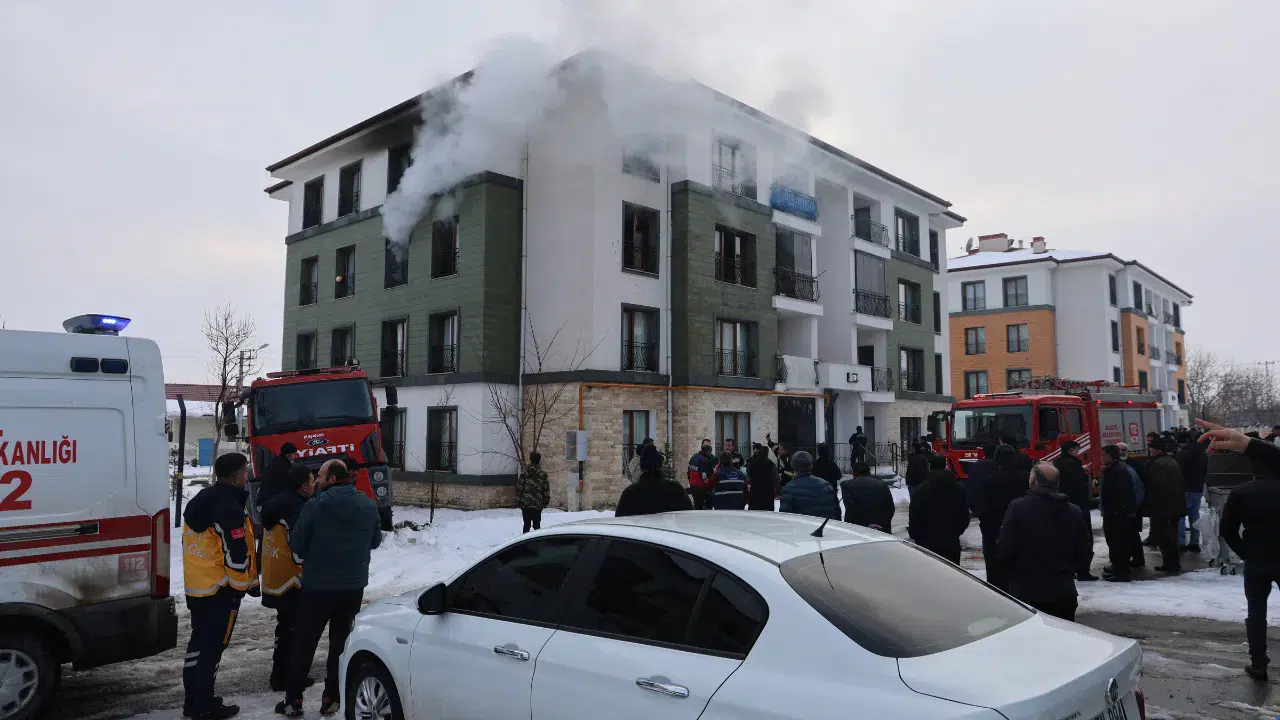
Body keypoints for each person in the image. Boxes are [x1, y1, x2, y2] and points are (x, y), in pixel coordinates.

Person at [278, 459, 383, 717]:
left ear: (332, 479)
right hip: (352, 587)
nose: (316, 481)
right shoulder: (368, 504)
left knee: (305, 642)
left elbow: (297, 544)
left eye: (320, 477)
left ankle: (293, 700)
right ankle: (332, 698)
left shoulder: (315, 506)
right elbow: (375, 540)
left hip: (317, 587)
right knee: (341, 643)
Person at [182, 453, 259, 720]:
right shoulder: (230, 509)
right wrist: (240, 588)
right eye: (245, 472)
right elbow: (236, 555)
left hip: (198, 586)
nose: (247, 476)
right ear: (237, 477)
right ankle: (204, 706)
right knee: (213, 648)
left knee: (198, 645)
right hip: (219, 590)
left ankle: (194, 700)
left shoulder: (201, 500)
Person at [1202, 420, 1280, 680]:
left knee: (1256, 613)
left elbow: (1227, 530)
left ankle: (1259, 663)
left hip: (1257, 560)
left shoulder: (1241, 492)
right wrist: (1250, 443)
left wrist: (1246, 553)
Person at [997, 462, 1093, 620]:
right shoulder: (1073, 511)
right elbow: (1085, 550)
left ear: (1033, 481)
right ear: (1058, 483)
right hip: (1063, 591)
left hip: (1026, 591)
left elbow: (1005, 547)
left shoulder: (1017, 508)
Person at [261, 463, 317, 693]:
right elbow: (299, 548)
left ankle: (279, 675)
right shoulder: (296, 509)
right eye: (312, 481)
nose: (315, 485)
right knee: (296, 631)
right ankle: (289, 678)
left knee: (284, 629)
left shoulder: (275, 504)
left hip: (275, 578)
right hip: (293, 580)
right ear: (303, 486)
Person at [975, 445, 1027, 590]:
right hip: (1021, 530)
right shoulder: (1025, 478)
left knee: (995, 571)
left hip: (994, 530)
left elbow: (983, 508)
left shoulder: (989, 481)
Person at [907, 454, 971, 565]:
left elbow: (915, 515)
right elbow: (964, 516)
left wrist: (916, 535)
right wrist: (955, 533)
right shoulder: (959, 488)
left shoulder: (922, 489)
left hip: (927, 544)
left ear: (930, 466)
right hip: (951, 543)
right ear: (944, 465)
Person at [1054, 440, 1096, 581]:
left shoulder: (1057, 462)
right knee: (1083, 538)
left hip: (1062, 506)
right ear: (1071, 450)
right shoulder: (1073, 465)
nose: (1078, 452)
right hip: (1078, 505)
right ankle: (1083, 571)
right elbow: (1077, 484)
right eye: (1077, 450)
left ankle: (1069, 569)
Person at [616, 445, 694, 516]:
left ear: (641, 468)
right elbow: (689, 517)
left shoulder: (630, 493)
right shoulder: (675, 489)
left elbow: (620, 520)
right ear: (661, 467)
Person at [1146, 438, 1186, 574]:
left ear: (1156, 449)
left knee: (1166, 537)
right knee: (1170, 535)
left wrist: (1151, 503)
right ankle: (1171, 563)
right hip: (1173, 505)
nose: (1149, 450)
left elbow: (1157, 486)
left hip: (1165, 507)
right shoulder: (1170, 461)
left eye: (1151, 448)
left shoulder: (1159, 464)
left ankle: (1171, 564)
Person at [1099, 445, 1139, 582]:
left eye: (1103, 455)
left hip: (1118, 516)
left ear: (1111, 456)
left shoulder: (1120, 471)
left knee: (1119, 544)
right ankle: (1117, 570)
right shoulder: (1110, 470)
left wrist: (1120, 512)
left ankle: (1121, 573)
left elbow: (1123, 495)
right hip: (1112, 514)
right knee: (1114, 544)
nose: (1101, 457)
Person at [778, 451, 840, 519]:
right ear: (811, 466)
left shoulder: (788, 490)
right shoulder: (826, 486)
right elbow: (837, 514)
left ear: (793, 466)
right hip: (825, 525)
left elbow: (785, 518)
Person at [1177, 431, 1208, 553]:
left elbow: (1179, 471)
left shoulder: (1183, 454)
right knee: (1194, 516)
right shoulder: (1204, 455)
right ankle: (1194, 543)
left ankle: (1181, 543)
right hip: (1198, 488)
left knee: (1181, 516)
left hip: (1184, 488)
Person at [840, 462, 895, 531]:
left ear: (854, 473)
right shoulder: (882, 484)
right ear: (869, 472)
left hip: (857, 529)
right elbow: (890, 508)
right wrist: (882, 524)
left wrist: (864, 525)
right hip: (881, 528)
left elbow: (850, 509)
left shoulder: (847, 485)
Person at [258, 442, 299, 511]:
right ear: (288, 455)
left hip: (266, 498)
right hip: (271, 500)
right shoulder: (284, 466)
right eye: (294, 454)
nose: (295, 457)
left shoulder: (277, 461)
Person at [515, 452, 551, 533]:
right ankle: (537, 540)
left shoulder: (524, 474)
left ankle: (524, 540)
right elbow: (546, 490)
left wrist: (520, 502)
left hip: (526, 504)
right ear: (539, 460)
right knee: (537, 526)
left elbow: (519, 489)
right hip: (537, 505)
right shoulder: (543, 474)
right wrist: (545, 503)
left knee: (526, 525)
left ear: (530, 460)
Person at [745, 443, 779, 511]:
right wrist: (778, 491)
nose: (755, 451)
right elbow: (775, 478)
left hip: (755, 492)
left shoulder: (752, 463)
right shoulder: (770, 463)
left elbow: (748, 475)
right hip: (768, 493)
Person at [686, 441, 717, 510]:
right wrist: (710, 485)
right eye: (710, 452)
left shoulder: (694, 457)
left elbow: (689, 472)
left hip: (693, 486)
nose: (711, 453)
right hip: (701, 487)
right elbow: (705, 476)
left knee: (697, 505)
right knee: (705, 507)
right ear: (708, 451)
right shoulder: (704, 460)